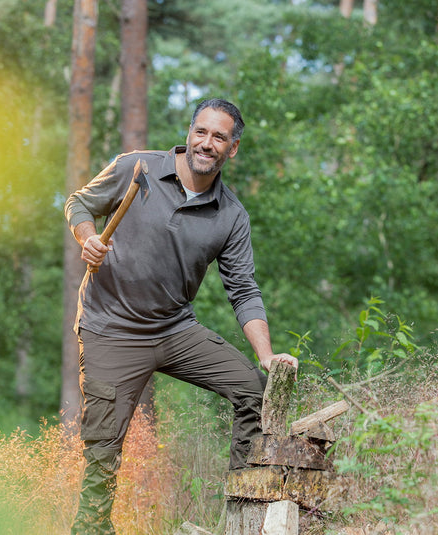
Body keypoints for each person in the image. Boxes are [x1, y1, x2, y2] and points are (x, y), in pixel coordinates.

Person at [64, 98, 298, 534]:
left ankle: (242, 512)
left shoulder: (231, 215)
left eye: (220, 137)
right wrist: (89, 236)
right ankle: (92, 529)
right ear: (190, 133)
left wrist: (266, 355)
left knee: (254, 390)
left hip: (174, 329)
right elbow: (78, 202)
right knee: (102, 453)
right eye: (202, 132)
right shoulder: (138, 168)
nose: (207, 143)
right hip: (110, 329)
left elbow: (243, 290)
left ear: (234, 148)